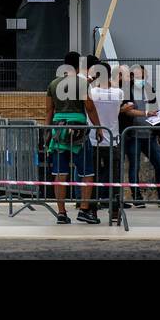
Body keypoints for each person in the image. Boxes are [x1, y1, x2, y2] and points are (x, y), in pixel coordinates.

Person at [45, 52, 101, 224]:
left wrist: (47, 132)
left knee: (60, 173)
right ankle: (84, 209)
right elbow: (90, 108)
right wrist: (98, 127)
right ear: (78, 66)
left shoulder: (53, 84)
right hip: (79, 129)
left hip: (58, 130)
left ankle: (61, 213)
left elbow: (49, 110)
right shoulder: (82, 83)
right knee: (86, 172)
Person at [119, 64, 160, 207]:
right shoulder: (126, 91)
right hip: (133, 135)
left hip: (150, 135)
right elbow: (127, 111)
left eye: (143, 76)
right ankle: (137, 197)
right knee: (134, 166)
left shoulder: (150, 90)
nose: (141, 79)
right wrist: (145, 113)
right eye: (138, 76)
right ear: (131, 77)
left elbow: (157, 111)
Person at [86, 58, 124, 223]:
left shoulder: (91, 92)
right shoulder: (118, 93)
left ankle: (92, 211)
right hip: (112, 140)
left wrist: (90, 80)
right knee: (114, 177)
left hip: (94, 140)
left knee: (92, 177)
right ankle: (115, 211)